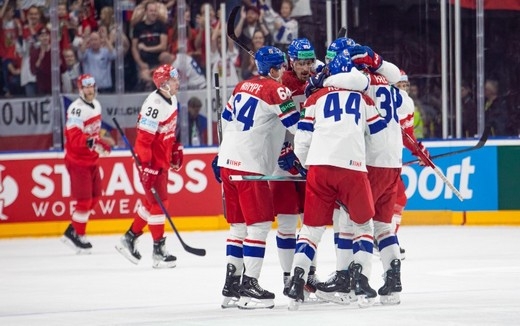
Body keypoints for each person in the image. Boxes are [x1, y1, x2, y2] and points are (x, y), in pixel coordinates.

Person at [283, 49, 386, 308]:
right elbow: (380, 137)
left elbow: (303, 138)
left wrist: (308, 165)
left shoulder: (315, 98)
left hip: (319, 167)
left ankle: (297, 281)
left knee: (311, 230)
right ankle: (361, 282)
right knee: (362, 227)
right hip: (352, 168)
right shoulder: (364, 100)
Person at [212, 45, 300, 309]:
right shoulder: (277, 89)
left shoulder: (241, 86)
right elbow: (297, 125)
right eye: (282, 67)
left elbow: (226, 121)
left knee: (238, 228)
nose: (285, 71)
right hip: (250, 167)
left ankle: (232, 286)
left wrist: (222, 153)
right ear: (273, 70)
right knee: (259, 226)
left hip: (228, 161)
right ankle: (249, 284)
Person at [115, 64, 183, 269]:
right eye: (173, 79)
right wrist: (146, 166)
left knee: (150, 202)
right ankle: (158, 250)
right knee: (160, 203)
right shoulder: (153, 105)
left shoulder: (172, 99)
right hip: (151, 162)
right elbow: (143, 141)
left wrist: (173, 149)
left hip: (160, 161)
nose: (177, 82)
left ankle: (129, 237)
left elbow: (168, 132)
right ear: (163, 84)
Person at [273, 37, 317, 298]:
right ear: (291, 62)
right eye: (301, 62)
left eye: (310, 61)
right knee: (288, 224)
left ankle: (309, 273)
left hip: (310, 161)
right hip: (282, 164)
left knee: (311, 223)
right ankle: (289, 277)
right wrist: (279, 149)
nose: (306, 67)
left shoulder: (320, 77)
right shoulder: (279, 84)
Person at [61, 74, 112, 254]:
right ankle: (79, 236)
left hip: (91, 160)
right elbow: (74, 137)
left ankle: (72, 230)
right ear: (80, 89)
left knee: (96, 196)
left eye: (92, 86)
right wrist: (93, 143)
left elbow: (93, 133)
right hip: (77, 161)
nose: (90, 90)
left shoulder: (96, 105)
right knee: (84, 201)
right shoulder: (76, 110)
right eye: (86, 87)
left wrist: (100, 143)